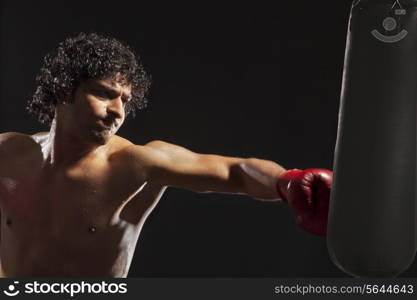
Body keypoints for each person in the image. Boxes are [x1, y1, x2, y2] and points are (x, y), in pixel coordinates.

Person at [0, 32, 332, 278]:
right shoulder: (8, 153)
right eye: (104, 94)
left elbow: (235, 172)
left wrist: (287, 183)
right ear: (62, 89)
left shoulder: (134, 164)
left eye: (125, 100)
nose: (117, 111)